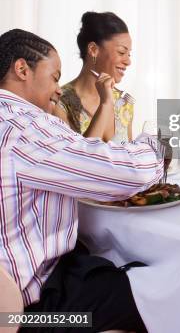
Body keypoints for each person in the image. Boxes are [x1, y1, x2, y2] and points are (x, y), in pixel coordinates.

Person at [0, 28, 163, 332]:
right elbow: (128, 173)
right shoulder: (25, 128)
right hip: (29, 315)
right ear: (22, 69)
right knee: (156, 294)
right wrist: (156, 143)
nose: (58, 89)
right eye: (53, 77)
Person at [55, 11, 134, 143]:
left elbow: (129, 161)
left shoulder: (124, 103)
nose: (128, 62)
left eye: (129, 54)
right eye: (121, 52)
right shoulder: (59, 103)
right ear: (93, 49)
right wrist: (106, 103)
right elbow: (81, 159)